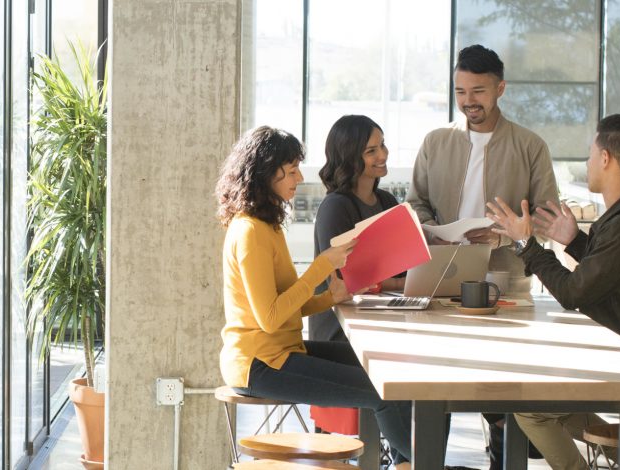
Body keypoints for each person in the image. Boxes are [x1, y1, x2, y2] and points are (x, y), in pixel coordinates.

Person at [486, 114, 620, 470]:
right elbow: (615, 275)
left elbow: (575, 292)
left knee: (530, 408)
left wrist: (526, 244)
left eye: (591, 154)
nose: (588, 162)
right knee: (557, 407)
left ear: (605, 158)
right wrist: (575, 241)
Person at [216, 126, 414, 469]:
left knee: (389, 371)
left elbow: (286, 302)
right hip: (260, 365)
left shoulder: (267, 226)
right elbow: (271, 317)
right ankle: (421, 461)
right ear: (265, 172)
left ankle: (407, 462)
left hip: (283, 350)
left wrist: (332, 296)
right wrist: (322, 266)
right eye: (290, 169)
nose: (299, 176)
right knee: (379, 392)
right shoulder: (249, 232)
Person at [406, 43, 556, 468]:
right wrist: (433, 233)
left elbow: (546, 217)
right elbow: (416, 202)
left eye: (478, 91)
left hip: (504, 278)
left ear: (500, 88)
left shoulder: (531, 146)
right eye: (460, 91)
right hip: (443, 273)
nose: (469, 101)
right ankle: (429, 460)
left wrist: (509, 235)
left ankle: (503, 459)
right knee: (437, 379)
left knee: (502, 385)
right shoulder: (436, 142)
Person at [310, 115, 405, 342]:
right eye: (371, 151)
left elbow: (403, 265)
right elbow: (347, 280)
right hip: (341, 331)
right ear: (350, 157)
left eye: (382, 145)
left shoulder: (387, 202)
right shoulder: (335, 207)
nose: (382, 155)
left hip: (380, 317)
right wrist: (400, 283)